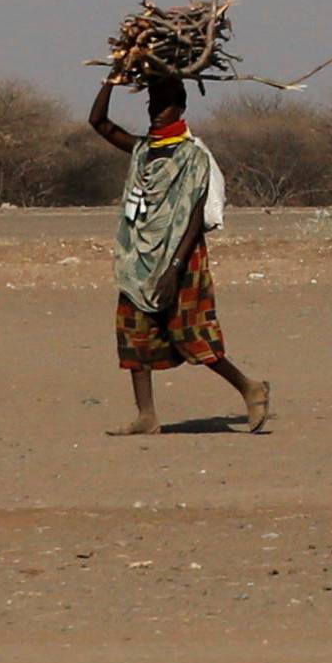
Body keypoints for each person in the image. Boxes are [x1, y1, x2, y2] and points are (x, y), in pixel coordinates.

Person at [88, 72, 270, 436]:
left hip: (181, 260)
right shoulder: (143, 149)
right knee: (134, 334)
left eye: (166, 103)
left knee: (190, 332)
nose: (157, 110)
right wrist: (112, 79)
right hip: (139, 258)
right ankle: (147, 416)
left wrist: (173, 267)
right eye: (153, 103)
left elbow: (192, 217)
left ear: (181, 107)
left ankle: (250, 387)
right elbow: (98, 122)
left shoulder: (193, 157)